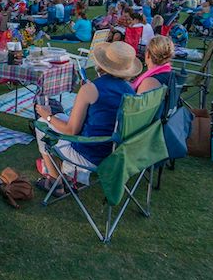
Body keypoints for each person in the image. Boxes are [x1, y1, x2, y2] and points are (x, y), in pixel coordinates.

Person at [33, 42, 140, 195]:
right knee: (59, 116)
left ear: (102, 63)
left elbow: (71, 130)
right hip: (116, 152)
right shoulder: (130, 90)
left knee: (41, 124)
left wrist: (47, 116)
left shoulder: (91, 89)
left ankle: (55, 181)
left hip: (88, 152)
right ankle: (67, 177)